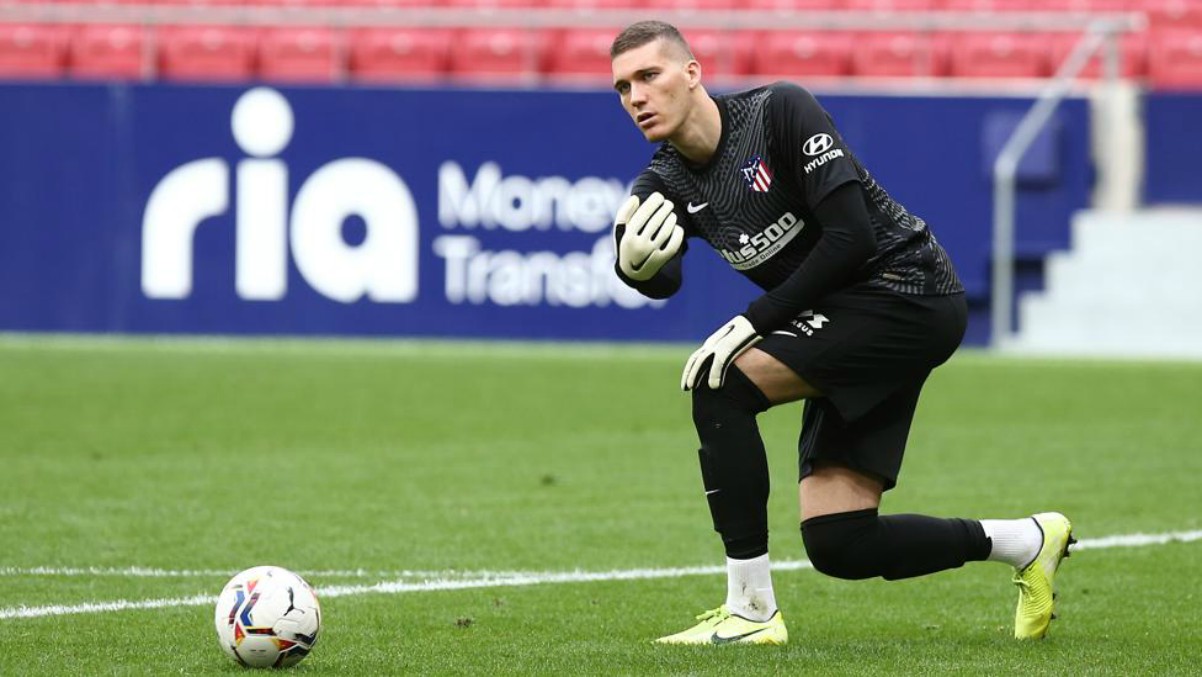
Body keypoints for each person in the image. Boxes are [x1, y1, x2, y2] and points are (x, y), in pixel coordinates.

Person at [608, 20, 1074, 646]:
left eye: (648, 75)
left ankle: (749, 610)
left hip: (908, 292)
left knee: (722, 387)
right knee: (840, 541)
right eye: (621, 87)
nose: (635, 96)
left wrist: (752, 321)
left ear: (692, 74)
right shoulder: (663, 182)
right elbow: (660, 277)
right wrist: (634, 268)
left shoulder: (778, 113)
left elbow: (851, 238)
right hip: (843, 319)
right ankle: (1028, 541)